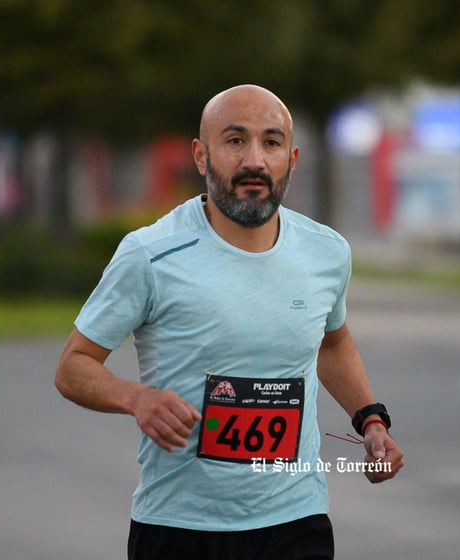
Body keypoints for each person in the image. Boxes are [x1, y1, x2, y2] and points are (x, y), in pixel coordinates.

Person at [55, 84, 404, 559]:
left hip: (296, 522)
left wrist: (370, 422)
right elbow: (74, 365)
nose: (254, 160)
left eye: (271, 143)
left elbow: (331, 343)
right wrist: (136, 398)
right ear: (201, 156)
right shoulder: (151, 254)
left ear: (292, 159)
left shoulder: (326, 252)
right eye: (235, 141)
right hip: (181, 528)